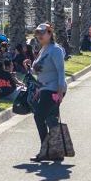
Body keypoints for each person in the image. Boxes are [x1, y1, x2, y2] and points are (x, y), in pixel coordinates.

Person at [29, 23, 67, 162]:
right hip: (44, 88)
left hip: (54, 88)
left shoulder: (55, 50)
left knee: (39, 116)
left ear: (50, 33)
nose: (39, 36)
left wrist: (60, 92)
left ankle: (45, 151)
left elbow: (61, 71)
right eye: (37, 33)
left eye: (42, 33)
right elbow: (37, 71)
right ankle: (56, 152)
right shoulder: (43, 49)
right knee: (51, 119)